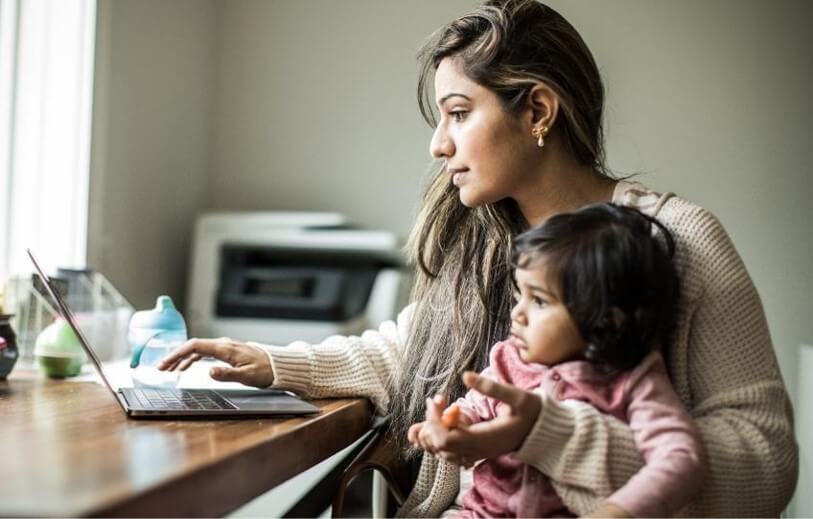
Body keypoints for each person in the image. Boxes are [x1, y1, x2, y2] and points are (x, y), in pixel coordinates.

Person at [158, 0, 797, 516]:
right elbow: (409, 355)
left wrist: (549, 438)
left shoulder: (676, 241)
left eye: (459, 113)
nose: (439, 145)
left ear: (539, 111)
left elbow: (766, 462)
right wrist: (269, 363)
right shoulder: (483, 239)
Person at [408, 203, 706, 518]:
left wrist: (619, 511)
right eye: (519, 294)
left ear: (606, 321)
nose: (517, 313)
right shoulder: (509, 360)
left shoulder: (634, 381)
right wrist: (450, 426)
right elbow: (472, 408)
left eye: (538, 300)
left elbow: (681, 457)